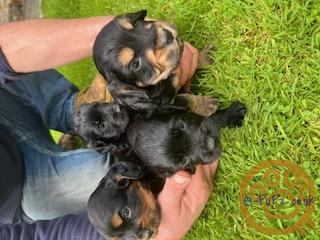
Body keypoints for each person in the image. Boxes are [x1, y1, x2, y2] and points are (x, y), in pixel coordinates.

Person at [0, 16, 219, 239]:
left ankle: (75, 108)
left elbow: (2, 52)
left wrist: (119, 36)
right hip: (19, 196)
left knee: (110, 111)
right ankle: (85, 123)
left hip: (6, 106)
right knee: (105, 181)